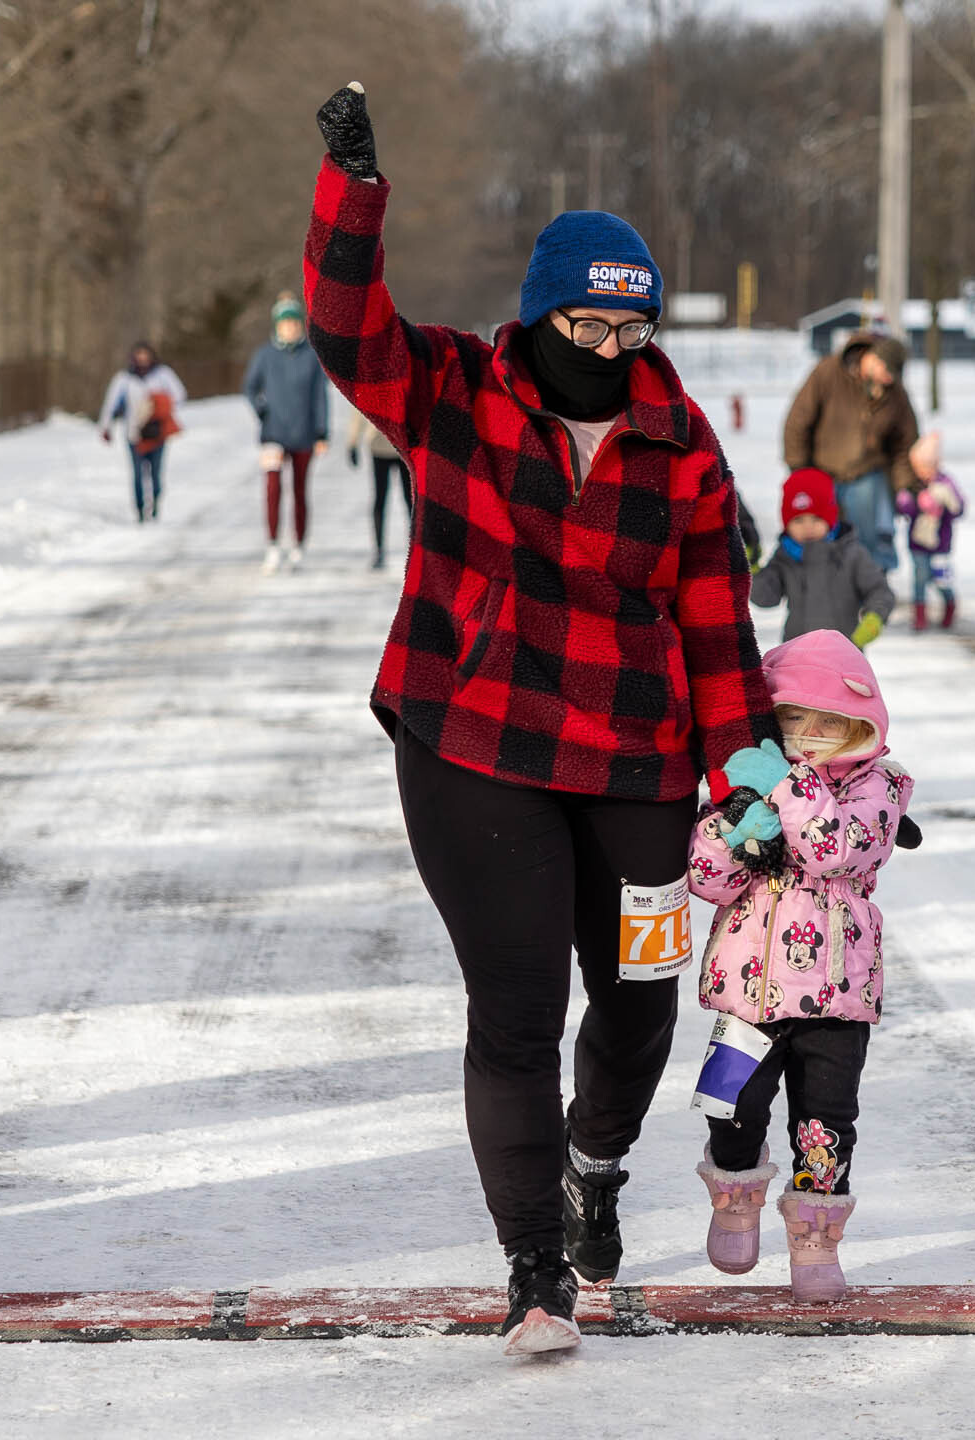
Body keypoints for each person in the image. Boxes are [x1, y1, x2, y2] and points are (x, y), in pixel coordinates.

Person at [306, 82, 780, 1356]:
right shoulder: (453, 388)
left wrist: (750, 780)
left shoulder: (680, 441)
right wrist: (354, 194)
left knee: (638, 1007)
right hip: (477, 741)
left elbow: (717, 626)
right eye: (590, 324)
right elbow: (348, 332)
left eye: (634, 329)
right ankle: (534, 1274)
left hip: (636, 756)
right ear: (541, 313)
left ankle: (594, 1163)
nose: (613, 351)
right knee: (516, 1011)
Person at [686, 629, 914, 1301]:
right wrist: (736, 832)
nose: (809, 737)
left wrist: (787, 787)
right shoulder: (744, 783)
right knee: (730, 1107)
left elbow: (833, 849)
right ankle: (734, 1194)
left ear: (860, 724)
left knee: (825, 1123)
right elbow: (705, 879)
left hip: (835, 995)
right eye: (792, 719)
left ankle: (815, 1234)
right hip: (744, 992)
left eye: (828, 722)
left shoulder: (880, 787)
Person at [782, 333, 920, 573]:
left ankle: (870, 581)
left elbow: (904, 443)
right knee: (820, 535)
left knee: (867, 537)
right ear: (873, 359)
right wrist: (799, 470)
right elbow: (798, 421)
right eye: (886, 371)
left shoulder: (894, 392)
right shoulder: (828, 372)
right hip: (822, 471)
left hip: (866, 472)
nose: (888, 379)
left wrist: (905, 486)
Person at [750, 466, 894, 647]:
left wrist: (874, 617)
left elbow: (879, 590)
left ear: (831, 518)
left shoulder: (851, 553)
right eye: (798, 520)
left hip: (844, 651)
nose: (808, 527)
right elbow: (765, 597)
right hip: (797, 652)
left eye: (816, 519)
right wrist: (752, 569)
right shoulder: (784, 556)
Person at [242, 293, 329, 573]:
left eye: (294, 323)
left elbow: (320, 397)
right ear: (277, 326)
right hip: (273, 434)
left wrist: (322, 432)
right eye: (285, 324)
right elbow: (249, 387)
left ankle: (298, 546)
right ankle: (272, 545)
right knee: (272, 490)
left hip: (304, 433)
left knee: (300, 490)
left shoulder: (311, 356)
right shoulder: (265, 355)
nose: (290, 328)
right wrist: (262, 410)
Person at [97, 342, 186, 523]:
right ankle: (139, 510)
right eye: (139, 355)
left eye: (145, 355)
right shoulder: (124, 379)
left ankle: (155, 504)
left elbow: (179, 395)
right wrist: (105, 426)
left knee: (155, 474)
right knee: (138, 474)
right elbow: (110, 404)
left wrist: (160, 405)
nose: (142, 358)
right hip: (134, 434)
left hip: (157, 433)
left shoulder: (163, 375)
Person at [894, 431, 965, 631]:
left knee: (941, 580)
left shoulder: (946, 484)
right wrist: (912, 502)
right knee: (919, 578)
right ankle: (919, 617)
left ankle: (949, 604)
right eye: (918, 467)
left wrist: (945, 503)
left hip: (941, 544)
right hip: (918, 544)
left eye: (926, 466)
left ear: (936, 464)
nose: (922, 471)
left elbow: (959, 508)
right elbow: (903, 508)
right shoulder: (914, 486)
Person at [346, 408, 413, 569]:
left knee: (410, 501)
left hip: (404, 446)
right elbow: (360, 408)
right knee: (382, 499)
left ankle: (416, 549)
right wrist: (353, 442)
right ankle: (379, 550)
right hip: (380, 446)